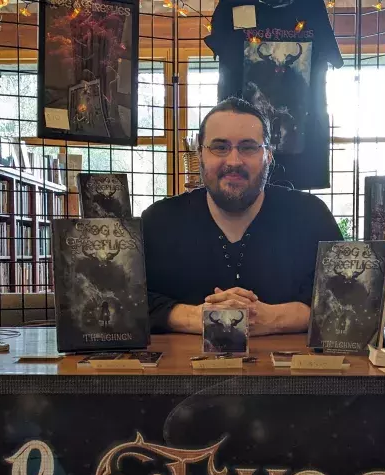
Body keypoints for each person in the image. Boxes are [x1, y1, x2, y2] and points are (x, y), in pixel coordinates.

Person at [142, 97, 343, 335]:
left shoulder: (311, 216)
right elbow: (124, 299)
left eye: (248, 147)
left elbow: (346, 299)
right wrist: (194, 318)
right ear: (200, 153)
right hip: (182, 370)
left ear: (268, 154)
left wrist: (274, 318)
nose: (234, 161)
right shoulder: (159, 221)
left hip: (291, 371)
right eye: (220, 147)